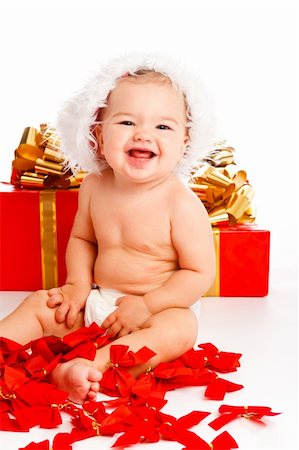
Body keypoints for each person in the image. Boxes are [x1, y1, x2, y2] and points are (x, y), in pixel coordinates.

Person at [0, 53, 216, 404]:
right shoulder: (95, 186)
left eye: (163, 126)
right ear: (98, 135)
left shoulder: (182, 203)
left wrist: (148, 305)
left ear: (184, 144)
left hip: (157, 309)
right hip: (98, 301)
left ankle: (87, 366)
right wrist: (78, 286)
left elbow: (199, 273)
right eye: (127, 122)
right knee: (40, 304)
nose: (144, 134)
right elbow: (83, 239)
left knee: (179, 330)